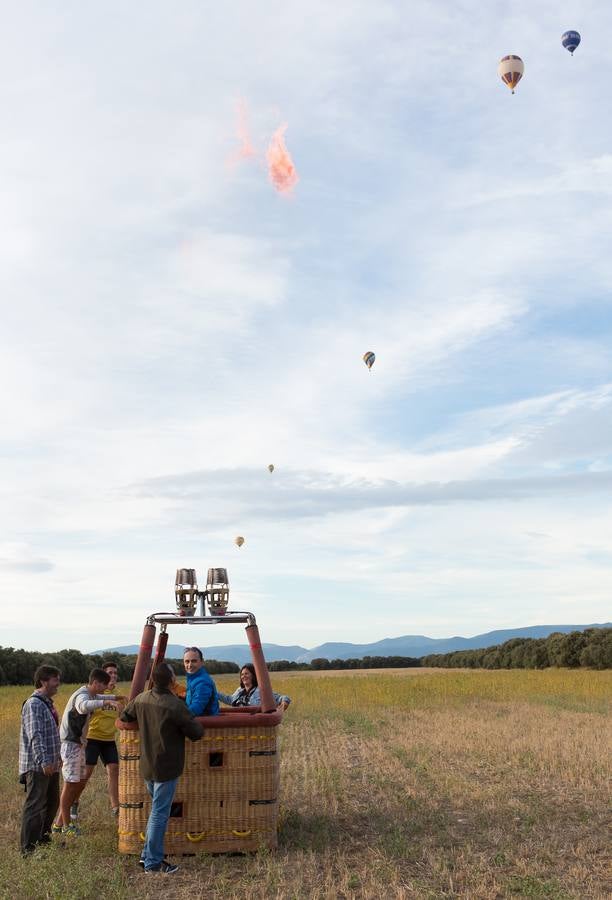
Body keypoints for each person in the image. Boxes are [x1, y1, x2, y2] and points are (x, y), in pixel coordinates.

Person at [120, 662, 204, 875]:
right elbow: (196, 733)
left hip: (147, 766)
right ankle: (153, 864)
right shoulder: (174, 705)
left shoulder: (141, 699)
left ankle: (146, 856)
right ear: (172, 680)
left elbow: (124, 717)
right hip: (167, 767)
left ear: (153, 680)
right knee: (159, 814)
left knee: (155, 812)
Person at [52, 668, 119, 836]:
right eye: (103, 686)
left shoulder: (91, 694)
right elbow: (83, 707)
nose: (105, 690)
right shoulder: (82, 696)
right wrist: (107, 702)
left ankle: (61, 825)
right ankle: (64, 826)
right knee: (70, 785)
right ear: (95, 683)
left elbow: (99, 697)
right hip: (70, 745)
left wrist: (115, 698)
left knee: (75, 784)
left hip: (78, 745)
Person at [72, 660, 123, 821]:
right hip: (93, 738)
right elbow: (85, 715)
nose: (113, 676)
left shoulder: (118, 696)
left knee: (114, 769)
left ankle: (116, 807)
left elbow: (122, 717)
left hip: (109, 739)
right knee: (86, 773)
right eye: (110, 673)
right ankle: (74, 801)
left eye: (115, 673)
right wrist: (82, 739)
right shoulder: (95, 694)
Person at [19, 665, 62, 854]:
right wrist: (43, 761)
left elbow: (51, 733)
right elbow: (34, 735)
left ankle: (43, 839)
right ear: (43, 681)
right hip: (38, 766)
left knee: (52, 802)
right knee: (35, 806)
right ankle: (28, 848)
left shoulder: (47, 702)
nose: (58, 684)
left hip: (50, 765)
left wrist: (57, 757)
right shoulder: (34, 704)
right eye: (55, 680)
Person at [217, 663, 291, 711]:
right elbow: (230, 700)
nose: (243, 676)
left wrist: (283, 704)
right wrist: (214, 692)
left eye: (246, 674)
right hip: (238, 725)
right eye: (242, 674)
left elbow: (281, 698)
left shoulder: (261, 690)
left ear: (253, 675)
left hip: (254, 727)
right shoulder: (240, 690)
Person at [183, 647, 219, 717]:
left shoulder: (202, 682)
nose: (190, 665)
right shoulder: (193, 679)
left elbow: (196, 708)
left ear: (202, 662)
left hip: (205, 725)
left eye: (194, 661)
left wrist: (176, 715)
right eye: (187, 661)